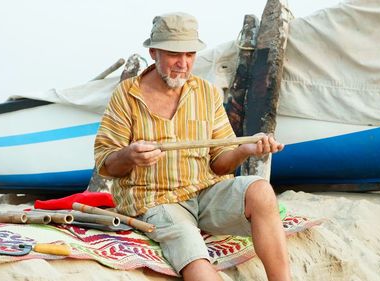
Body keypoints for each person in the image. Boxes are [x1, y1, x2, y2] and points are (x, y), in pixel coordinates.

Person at [94, 12, 290, 281]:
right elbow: (106, 164)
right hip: (157, 201)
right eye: (174, 54)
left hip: (205, 192)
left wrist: (244, 150)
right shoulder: (127, 95)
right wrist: (129, 156)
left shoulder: (206, 92)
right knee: (194, 256)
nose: (183, 64)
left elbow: (219, 162)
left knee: (261, 191)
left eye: (190, 54)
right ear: (153, 52)